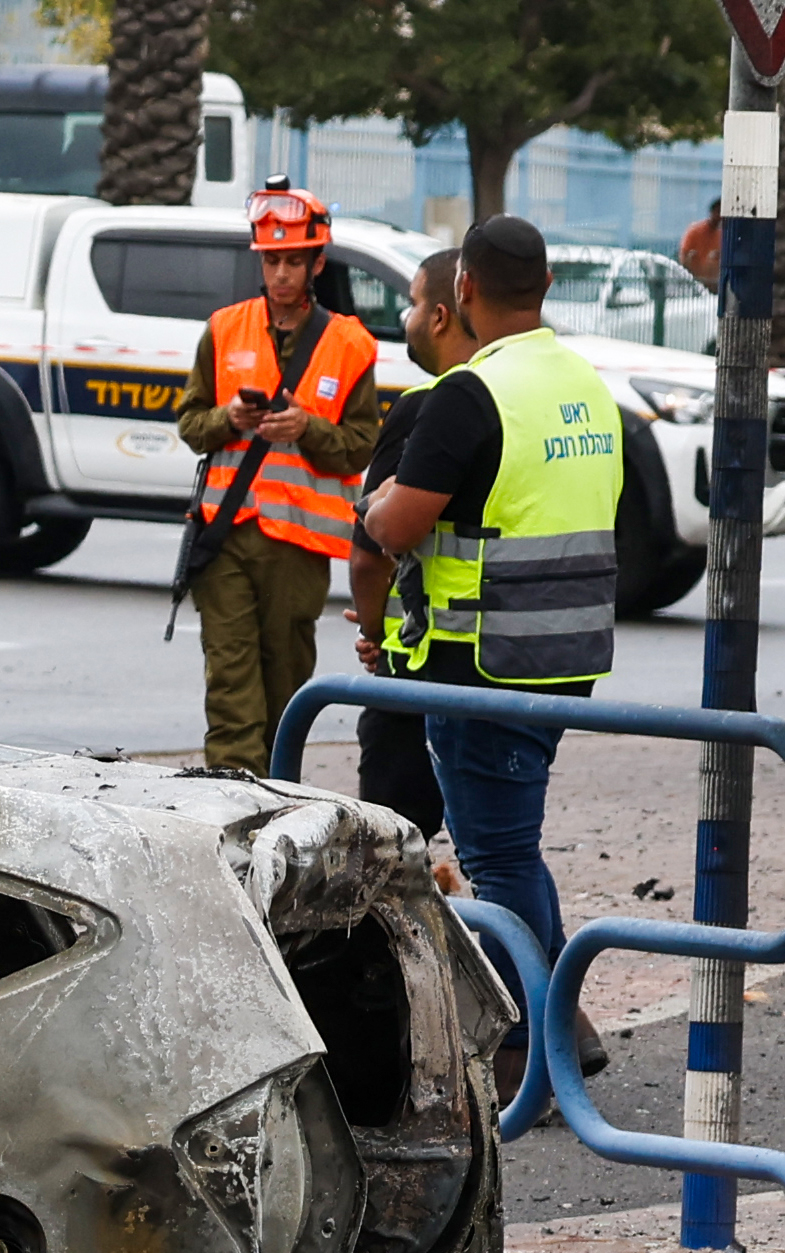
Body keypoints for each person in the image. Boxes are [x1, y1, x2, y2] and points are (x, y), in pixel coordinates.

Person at [351, 214, 619, 1040]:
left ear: (463, 289)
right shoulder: (582, 381)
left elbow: (392, 528)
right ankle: (555, 1036)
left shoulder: (474, 394)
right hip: (564, 656)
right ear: (543, 288)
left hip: (484, 664)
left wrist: (370, 504)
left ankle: (522, 1054)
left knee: (498, 863)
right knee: (512, 848)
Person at [174, 185, 380, 774]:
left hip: (297, 549)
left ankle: (275, 796)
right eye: (271, 260)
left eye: (294, 261)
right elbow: (191, 424)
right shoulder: (223, 329)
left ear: (317, 263)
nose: (281, 273)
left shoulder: (349, 345)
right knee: (231, 683)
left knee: (285, 683)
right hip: (224, 537)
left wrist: (307, 428)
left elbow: (361, 446)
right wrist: (227, 419)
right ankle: (231, 793)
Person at [347, 244, 474, 839]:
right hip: (504, 663)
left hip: (418, 659)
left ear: (443, 316)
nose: (409, 318)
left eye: (415, 304)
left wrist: (373, 632)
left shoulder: (428, 409)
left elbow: (370, 556)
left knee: (395, 844)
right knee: (495, 843)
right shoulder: (519, 402)